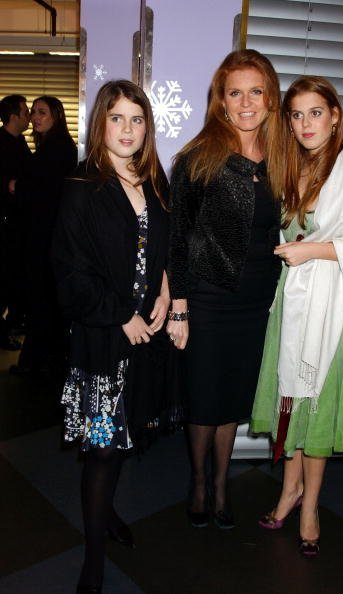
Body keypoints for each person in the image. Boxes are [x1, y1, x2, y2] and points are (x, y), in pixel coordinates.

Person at [250, 75, 343, 556]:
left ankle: (310, 507)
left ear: (334, 116)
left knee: (319, 409)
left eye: (315, 112)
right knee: (293, 399)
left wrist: (312, 252)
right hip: (296, 302)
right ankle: (290, 491)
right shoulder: (297, 167)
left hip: (335, 309)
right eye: (296, 114)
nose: (305, 123)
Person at [51, 80, 177, 594]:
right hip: (104, 343)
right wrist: (120, 315)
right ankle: (94, 557)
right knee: (102, 450)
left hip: (145, 341)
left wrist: (168, 292)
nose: (128, 129)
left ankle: (107, 515)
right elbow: (70, 273)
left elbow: (164, 246)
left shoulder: (155, 183)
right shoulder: (83, 188)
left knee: (125, 441)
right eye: (118, 118)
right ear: (101, 122)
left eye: (138, 119)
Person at [167, 49, 283, 529]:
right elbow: (176, 239)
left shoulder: (281, 157)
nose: (246, 102)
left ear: (270, 97)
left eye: (255, 90)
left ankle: (221, 484)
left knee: (232, 398)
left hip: (256, 301)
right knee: (205, 397)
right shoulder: (199, 158)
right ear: (221, 100)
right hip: (209, 298)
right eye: (235, 92)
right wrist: (179, 309)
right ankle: (199, 482)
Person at [10, 96, 77, 377]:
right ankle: (42, 361)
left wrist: (18, 186)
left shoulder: (57, 147)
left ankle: (36, 363)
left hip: (46, 235)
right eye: (34, 112)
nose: (36, 117)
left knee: (42, 299)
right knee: (44, 299)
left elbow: (44, 191)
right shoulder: (53, 145)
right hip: (46, 234)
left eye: (42, 112)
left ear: (56, 116)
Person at [0, 94, 31, 349]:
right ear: (13, 117)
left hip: (17, 223)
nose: (29, 116)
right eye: (25, 111)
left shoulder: (20, 142)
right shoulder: (2, 143)